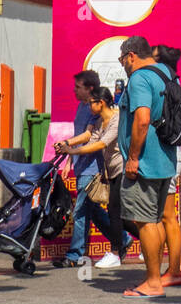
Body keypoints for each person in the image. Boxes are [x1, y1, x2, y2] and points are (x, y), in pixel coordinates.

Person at [116, 36, 178, 298]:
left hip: (145, 162)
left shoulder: (140, 78)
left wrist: (132, 157)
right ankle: (158, 276)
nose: (122, 65)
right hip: (165, 159)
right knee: (157, 220)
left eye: (122, 60)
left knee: (145, 222)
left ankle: (152, 282)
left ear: (132, 56)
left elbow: (142, 120)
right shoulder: (166, 73)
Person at [54, 86, 128, 269]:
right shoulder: (99, 122)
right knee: (101, 211)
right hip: (109, 172)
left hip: (121, 170)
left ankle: (107, 251)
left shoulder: (116, 120)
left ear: (101, 103)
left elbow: (100, 144)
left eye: (92, 103)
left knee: (95, 211)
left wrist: (72, 150)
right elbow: (92, 139)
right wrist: (68, 148)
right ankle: (122, 241)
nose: (88, 106)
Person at [153, 44, 181, 286]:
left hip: (164, 156)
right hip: (172, 154)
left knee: (164, 217)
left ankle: (172, 270)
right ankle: (171, 269)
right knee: (164, 217)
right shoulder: (174, 83)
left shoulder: (161, 86)